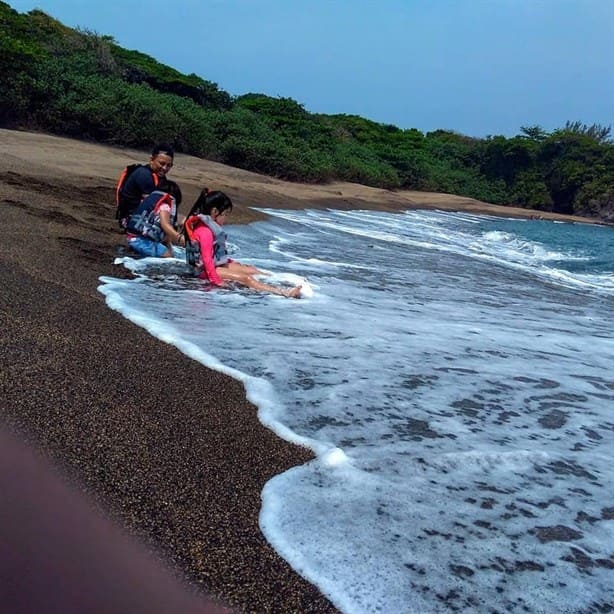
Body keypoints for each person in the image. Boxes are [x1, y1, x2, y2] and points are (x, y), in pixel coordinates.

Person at [183, 189, 302, 298]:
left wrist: (231, 262)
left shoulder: (209, 227)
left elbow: (215, 254)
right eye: (225, 214)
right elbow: (207, 259)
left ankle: (286, 283)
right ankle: (283, 292)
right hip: (203, 271)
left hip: (216, 265)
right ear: (214, 212)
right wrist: (217, 281)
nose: (226, 219)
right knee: (246, 278)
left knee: (252, 270)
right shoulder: (205, 231)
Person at [116, 144, 175, 230]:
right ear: (151, 160)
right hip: (130, 219)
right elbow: (153, 204)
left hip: (142, 216)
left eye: (169, 165)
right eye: (161, 163)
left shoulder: (159, 176)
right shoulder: (144, 175)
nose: (165, 168)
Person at [126, 180, 186, 258]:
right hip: (141, 241)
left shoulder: (151, 199)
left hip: (132, 237)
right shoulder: (165, 206)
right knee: (168, 255)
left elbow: (166, 237)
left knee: (166, 246)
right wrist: (180, 239)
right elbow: (166, 225)